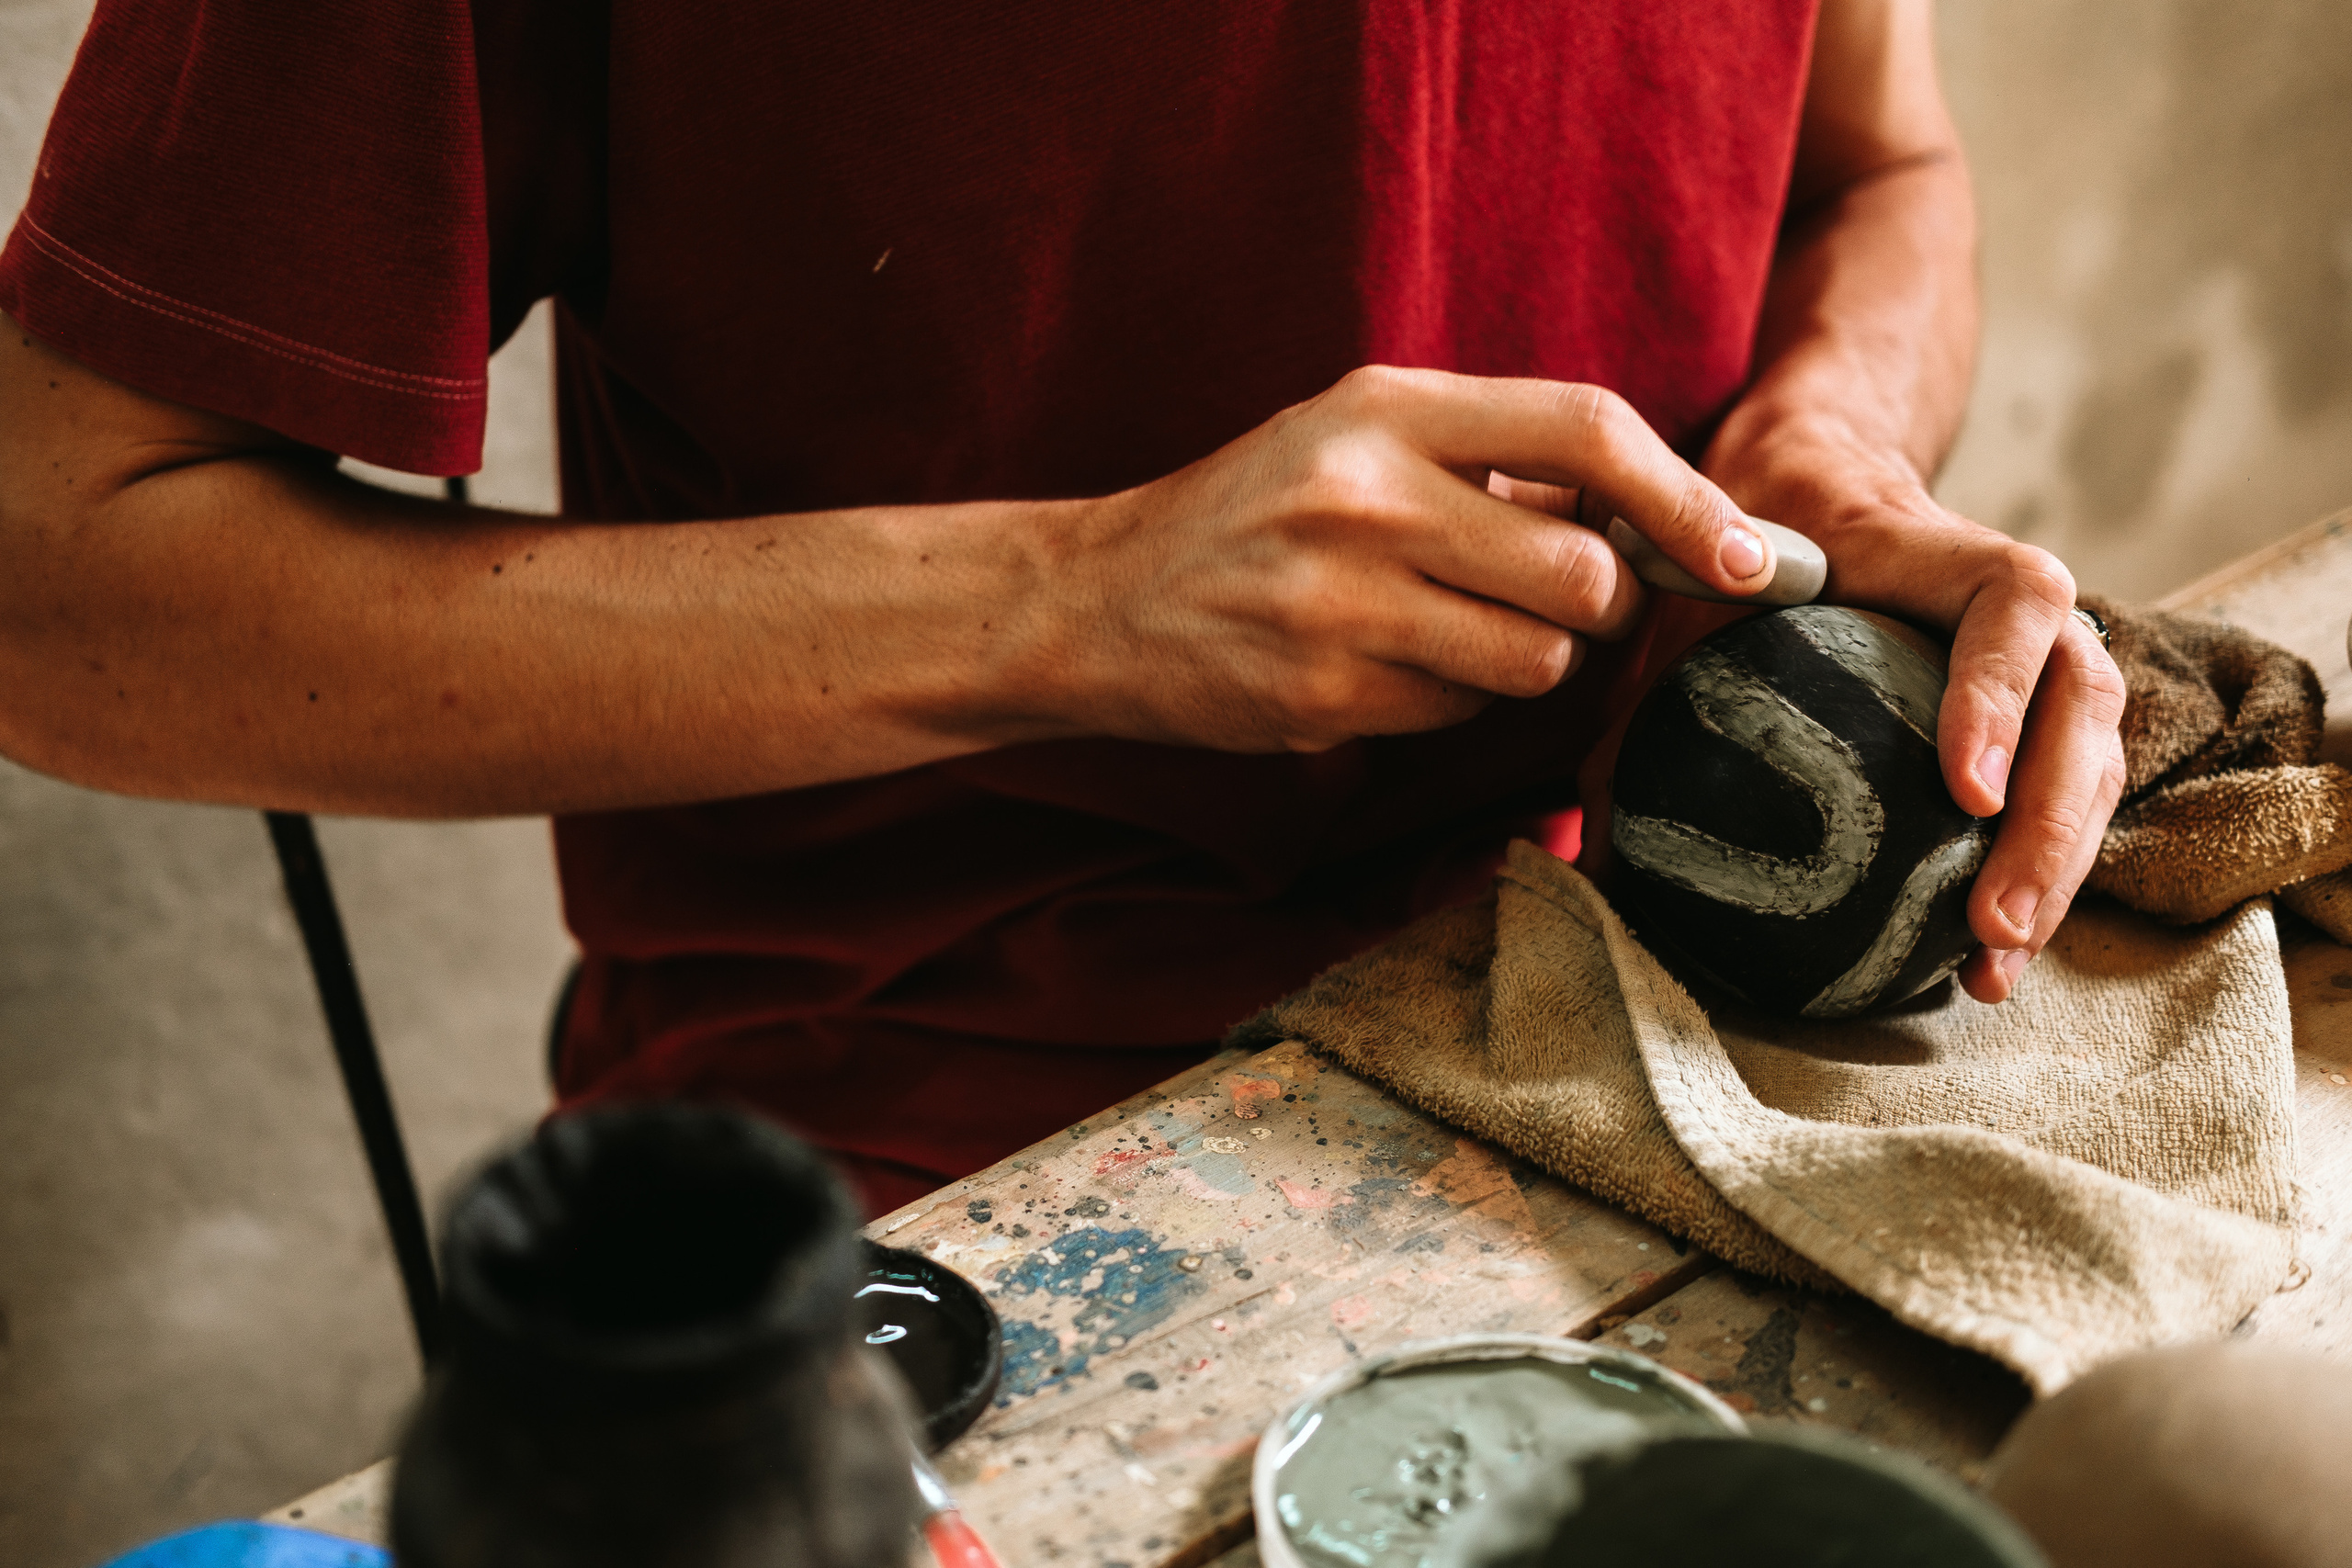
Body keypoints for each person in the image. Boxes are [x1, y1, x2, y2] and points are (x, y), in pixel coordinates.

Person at [0, 0, 2125, 1213]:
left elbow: (1879, 166)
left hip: (1653, 1027)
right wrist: (1074, 599)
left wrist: (1816, 446)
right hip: (912, 1163)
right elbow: (63, 579)